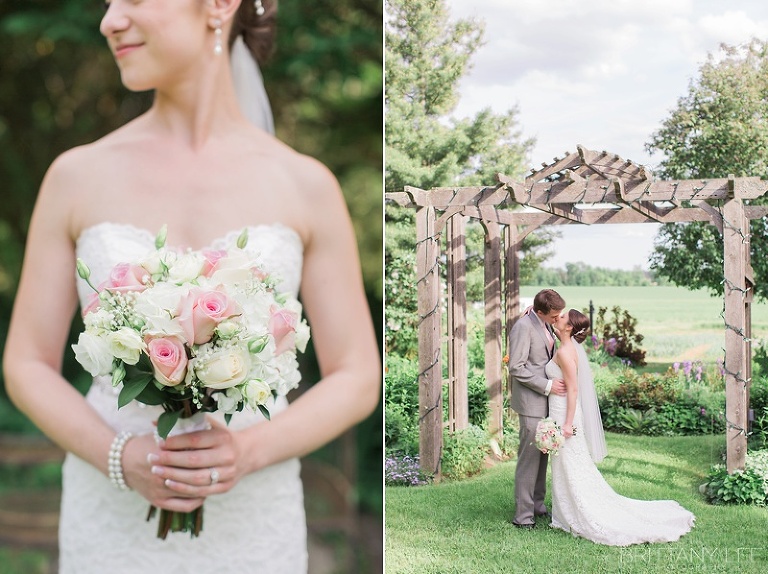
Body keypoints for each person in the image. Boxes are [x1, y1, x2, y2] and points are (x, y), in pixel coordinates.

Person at [2, 1, 380, 572]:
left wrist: (247, 452)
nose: (109, 20)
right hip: (110, 521)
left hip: (255, 522)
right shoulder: (76, 176)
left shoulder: (305, 186)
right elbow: (25, 363)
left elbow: (357, 375)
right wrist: (120, 455)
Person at [546, 309, 695, 545]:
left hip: (565, 415)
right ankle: (566, 513)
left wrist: (566, 424)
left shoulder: (565, 352)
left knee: (569, 464)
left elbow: (573, 389)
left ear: (569, 328)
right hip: (560, 412)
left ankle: (576, 514)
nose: (557, 318)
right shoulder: (565, 347)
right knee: (567, 465)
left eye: (562, 318)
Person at [508, 288, 567, 528]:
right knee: (529, 460)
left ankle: (537, 505)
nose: (558, 320)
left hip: (546, 403)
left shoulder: (543, 321)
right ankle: (523, 517)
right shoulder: (523, 327)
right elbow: (516, 367)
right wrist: (547, 385)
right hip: (532, 401)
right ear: (540, 311)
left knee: (543, 454)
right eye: (554, 316)